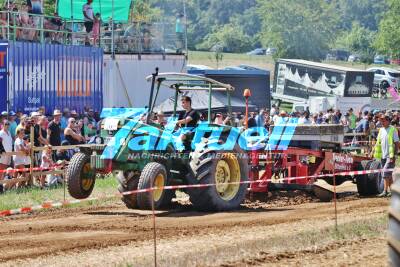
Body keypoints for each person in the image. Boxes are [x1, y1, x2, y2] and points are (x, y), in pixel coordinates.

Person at [373, 115, 399, 197]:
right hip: (383, 156)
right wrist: (372, 151)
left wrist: (394, 155)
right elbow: (378, 143)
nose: (382, 122)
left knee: (385, 172)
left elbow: (397, 143)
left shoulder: (392, 129)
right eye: (381, 121)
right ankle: (393, 191)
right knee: (388, 174)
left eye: (383, 121)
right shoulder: (381, 130)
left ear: (388, 121)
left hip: (390, 156)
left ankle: (385, 191)